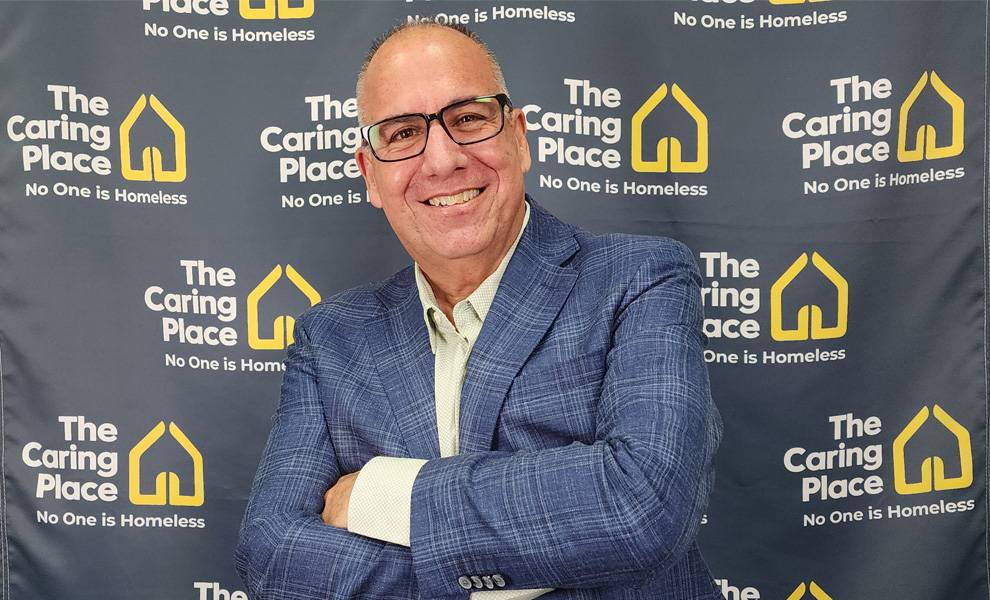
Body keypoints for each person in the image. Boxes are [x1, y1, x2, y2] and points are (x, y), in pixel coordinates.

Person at [235, 21, 722, 600]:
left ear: (519, 137)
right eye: (402, 133)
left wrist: (379, 494)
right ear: (371, 175)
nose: (442, 161)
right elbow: (273, 557)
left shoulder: (639, 278)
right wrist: (510, 572)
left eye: (467, 119)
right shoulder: (331, 339)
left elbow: (643, 504)